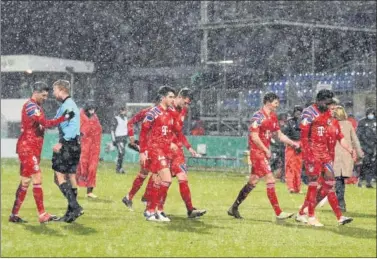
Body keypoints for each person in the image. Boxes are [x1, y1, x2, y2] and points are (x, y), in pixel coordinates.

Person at [227, 92, 300, 220]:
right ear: (268, 102)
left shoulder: (273, 116)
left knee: (253, 181)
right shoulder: (258, 116)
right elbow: (254, 137)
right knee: (271, 180)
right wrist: (266, 149)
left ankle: (234, 207)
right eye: (276, 103)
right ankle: (278, 213)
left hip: (263, 153)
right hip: (257, 153)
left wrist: (293, 143)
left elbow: (279, 135)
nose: (277, 105)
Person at [9, 82, 74, 223]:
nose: (45, 98)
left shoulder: (36, 107)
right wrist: (65, 118)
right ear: (36, 93)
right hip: (28, 149)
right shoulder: (32, 106)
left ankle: (14, 215)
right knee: (37, 179)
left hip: (31, 149)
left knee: (25, 182)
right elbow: (46, 123)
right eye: (43, 95)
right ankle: (42, 214)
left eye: (46, 96)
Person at [295, 90, 353, 227]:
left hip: (325, 154)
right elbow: (304, 136)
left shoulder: (329, 117)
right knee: (314, 183)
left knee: (329, 183)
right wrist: (308, 154)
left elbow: (336, 136)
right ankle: (312, 216)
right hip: (313, 153)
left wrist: (350, 149)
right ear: (320, 101)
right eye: (328, 104)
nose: (330, 107)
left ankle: (304, 211)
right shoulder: (309, 113)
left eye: (331, 105)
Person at [154, 88, 207, 219]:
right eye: (186, 102)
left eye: (189, 104)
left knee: (183, 178)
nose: (187, 106)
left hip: (177, 151)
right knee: (160, 180)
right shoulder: (166, 109)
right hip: (164, 149)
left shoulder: (183, 110)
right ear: (180, 97)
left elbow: (179, 132)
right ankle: (156, 208)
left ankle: (190, 210)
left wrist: (189, 148)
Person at [138, 86, 177, 221]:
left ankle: (152, 211)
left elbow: (169, 132)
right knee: (167, 179)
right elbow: (143, 132)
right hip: (155, 149)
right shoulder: (153, 112)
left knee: (157, 180)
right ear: (163, 98)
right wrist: (143, 151)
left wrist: (171, 143)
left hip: (165, 149)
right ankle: (156, 209)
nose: (173, 99)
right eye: (171, 97)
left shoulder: (171, 112)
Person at [51, 80, 84, 223]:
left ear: (60, 90)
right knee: (71, 177)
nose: (53, 93)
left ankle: (75, 206)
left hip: (68, 145)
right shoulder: (68, 105)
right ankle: (71, 213)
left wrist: (61, 142)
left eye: (54, 90)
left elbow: (72, 126)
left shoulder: (68, 105)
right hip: (74, 144)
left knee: (58, 177)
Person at [332, 106, 363, 211]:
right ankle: (341, 203)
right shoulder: (349, 124)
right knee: (340, 180)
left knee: (336, 179)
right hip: (346, 154)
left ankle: (339, 202)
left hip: (334, 155)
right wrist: (359, 154)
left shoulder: (331, 124)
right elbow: (355, 140)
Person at [76, 101, 103, 198]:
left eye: (93, 109)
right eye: (90, 109)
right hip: (83, 146)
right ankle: (73, 186)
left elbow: (98, 129)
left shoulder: (95, 117)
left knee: (92, 168)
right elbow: (79, 130)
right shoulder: (80, 117)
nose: (92, 111)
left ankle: (89, 191)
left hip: (94, 147)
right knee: (81, 166)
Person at [282, 105, 303, 193]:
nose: (298, 113)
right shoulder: (289, 122)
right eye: (297, 111)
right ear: (294, 112)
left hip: (300, 144)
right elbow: (283, 134)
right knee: (290, 166)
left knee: (298, 167)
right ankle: (291, 187)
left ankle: (297, 188)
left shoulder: (304, 122)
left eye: (300, 111)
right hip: (291, 144)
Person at [356, 107, 376, 188]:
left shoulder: (375, 121)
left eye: (372, 113)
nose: (371, 115)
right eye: (369, 113)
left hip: (374, 146)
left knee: (372, 165)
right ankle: (361, 180)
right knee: (365, 164)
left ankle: (368, 182)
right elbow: (359, 135)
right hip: (365, 147)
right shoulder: (362, 122)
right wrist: (363, 147)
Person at [111, 106, 128, 174]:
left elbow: (126, 128)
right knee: (121, 152)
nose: (124, 111)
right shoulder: (116, 118)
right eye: (122, 110)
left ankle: (119, 168)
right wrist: (113, 140)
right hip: (118, 138)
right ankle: (119, 168)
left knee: (122, 153)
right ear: (120, 111)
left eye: (125, 110)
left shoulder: (126, 118)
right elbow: (112, 130)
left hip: (124, 138)